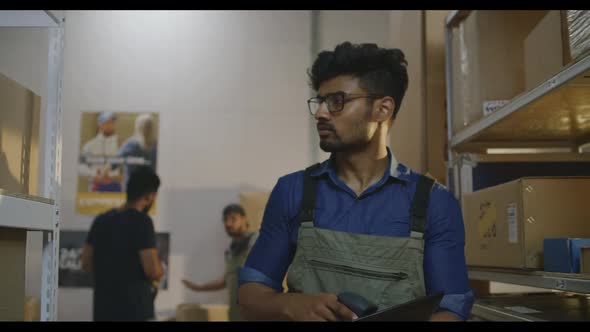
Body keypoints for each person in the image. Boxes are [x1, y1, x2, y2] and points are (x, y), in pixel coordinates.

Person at [237, 42, 474, 321]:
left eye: (337, 101)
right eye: (320, 101)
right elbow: (250, 292)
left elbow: (452, 307)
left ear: (383, 109)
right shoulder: (293, 191)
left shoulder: (434, 202)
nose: (320, 113)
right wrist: (293, 305)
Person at [81, 166, 164, 321]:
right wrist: (160, 271)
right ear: (149, 196)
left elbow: (86, 263)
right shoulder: (142, 221)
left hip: (103, 311)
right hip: (135, 312)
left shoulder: (101, 220)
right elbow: (152, 270)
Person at [182, 204, 258, 322]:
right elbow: (227, 280)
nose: (228, 224)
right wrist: (199, 288)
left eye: (233, 219)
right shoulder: (230, 251)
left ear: (244, 219)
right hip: (235, 315)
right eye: (225, 220)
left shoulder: (258, 240)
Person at [79, 111, 122, 192]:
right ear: (100, 124)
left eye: (112, 123)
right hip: (96, 187)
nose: (111, 126)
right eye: (108, 123)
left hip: (115, 188)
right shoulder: (89, 145)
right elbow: (81, 167)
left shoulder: (119, 144)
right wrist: (95, 175)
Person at [117, 113, 158, 189]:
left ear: (137, 127)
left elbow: (114, 162)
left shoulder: (130, 144)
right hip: (151, 188)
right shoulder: (157, 146)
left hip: (133, 189)